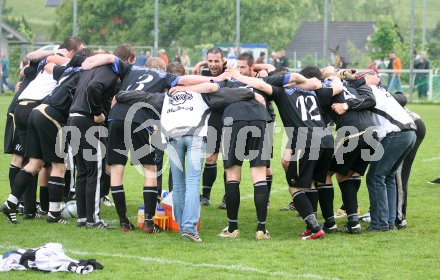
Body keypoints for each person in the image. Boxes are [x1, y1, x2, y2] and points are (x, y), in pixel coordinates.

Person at [360, 71, 416, 231]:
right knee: (388, 176)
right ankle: (390, 222)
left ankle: (380, 223)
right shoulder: (382, 91)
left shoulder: (369, 92)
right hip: (409, 132)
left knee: (375, 176)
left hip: (396, 134)